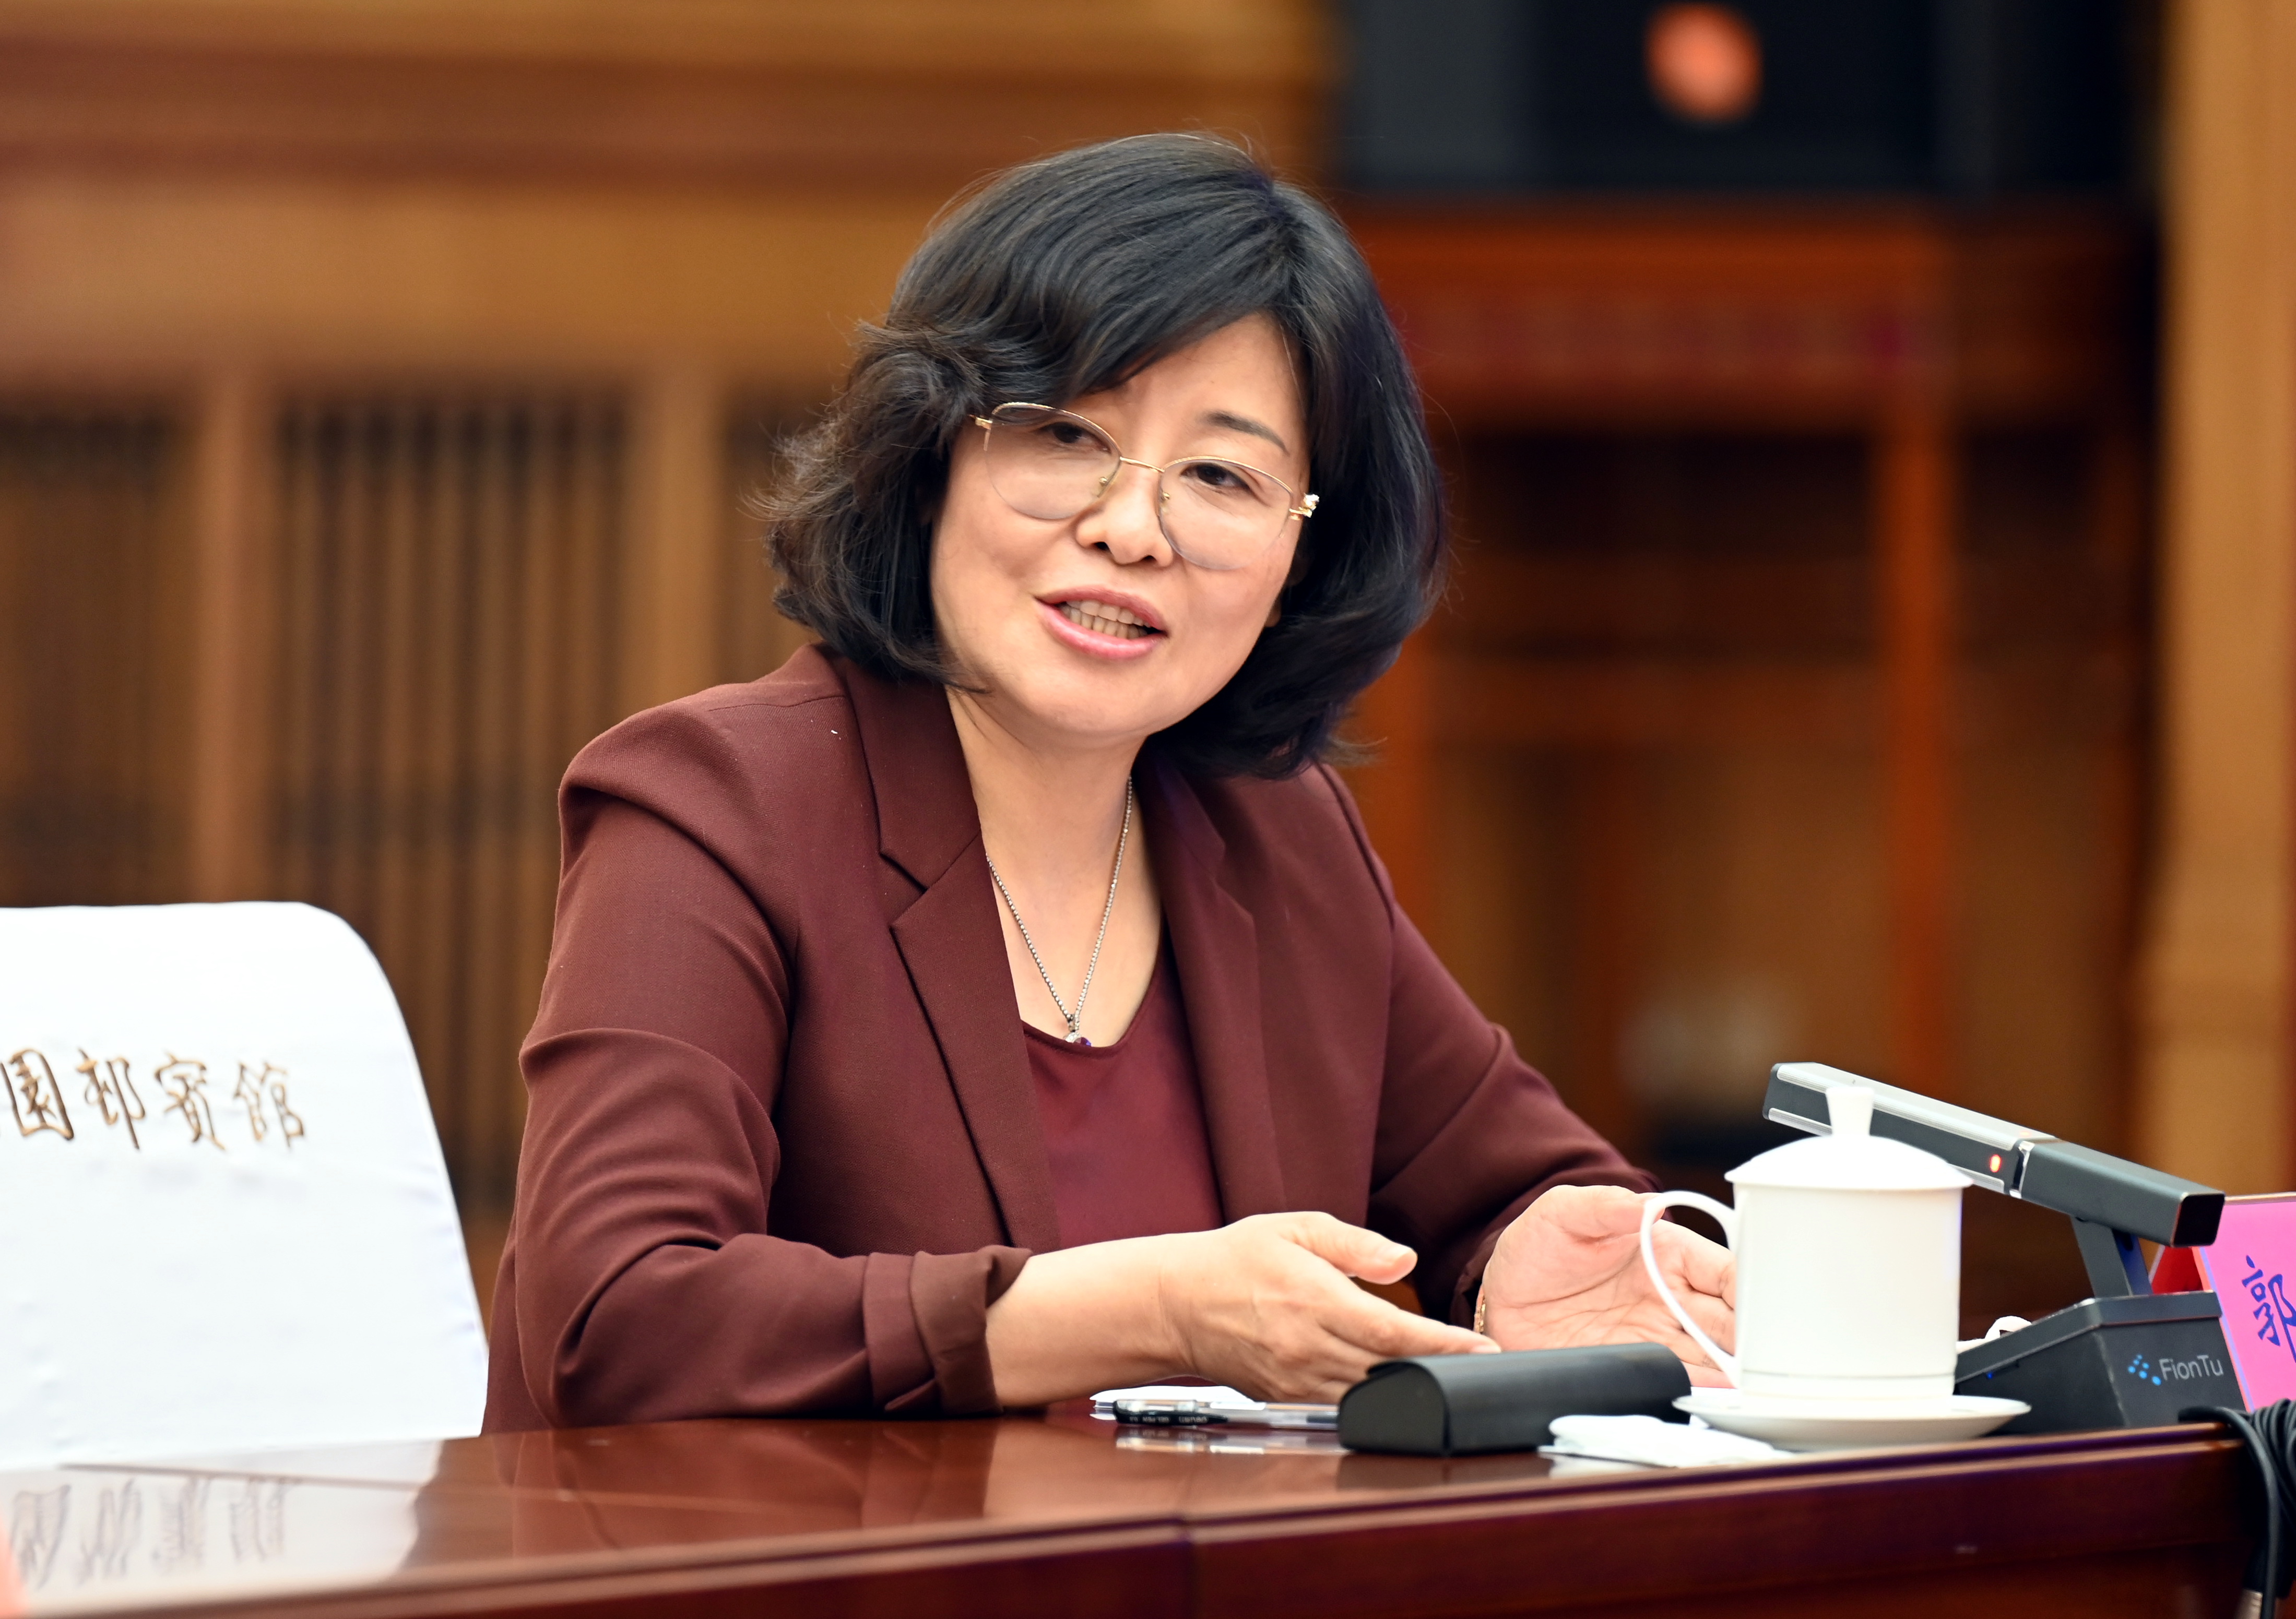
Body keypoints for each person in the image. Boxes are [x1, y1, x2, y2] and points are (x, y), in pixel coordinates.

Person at [483, 134, 1735, 1430]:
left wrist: (1521, 1261)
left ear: (1301, 561)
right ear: (930, 458)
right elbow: (615, 1317)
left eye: (1220, 476)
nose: (1132, 529)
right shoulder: (714, 804)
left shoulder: (1277, 835)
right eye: (1066, 433)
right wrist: (1150, 1313)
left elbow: (1506, 1188)